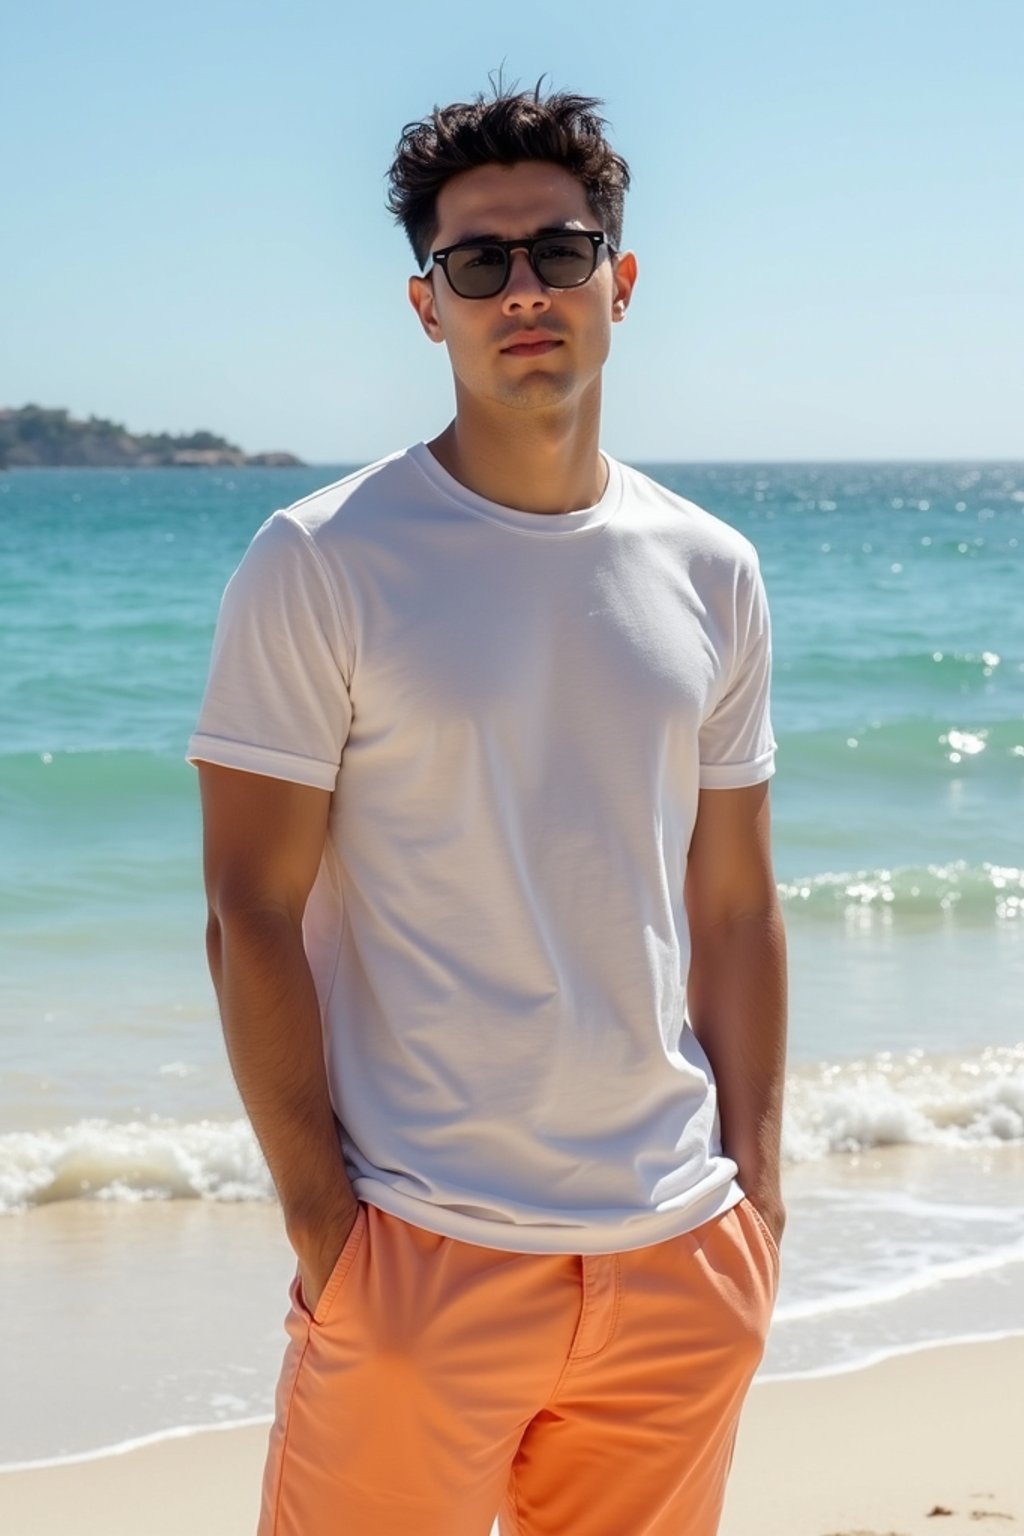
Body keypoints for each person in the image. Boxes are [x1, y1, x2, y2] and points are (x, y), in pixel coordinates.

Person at [189, 81, 787, 1536]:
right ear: (428, 304)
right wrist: (330, 1233)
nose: (524, 289)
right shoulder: (323, 559)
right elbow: (248, 907)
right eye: (479, 262)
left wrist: (757, 1199)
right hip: (416, 1257)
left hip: (677, 1254)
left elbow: (734, 904)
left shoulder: (713, 570)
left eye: (559, 252)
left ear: (619, 281)